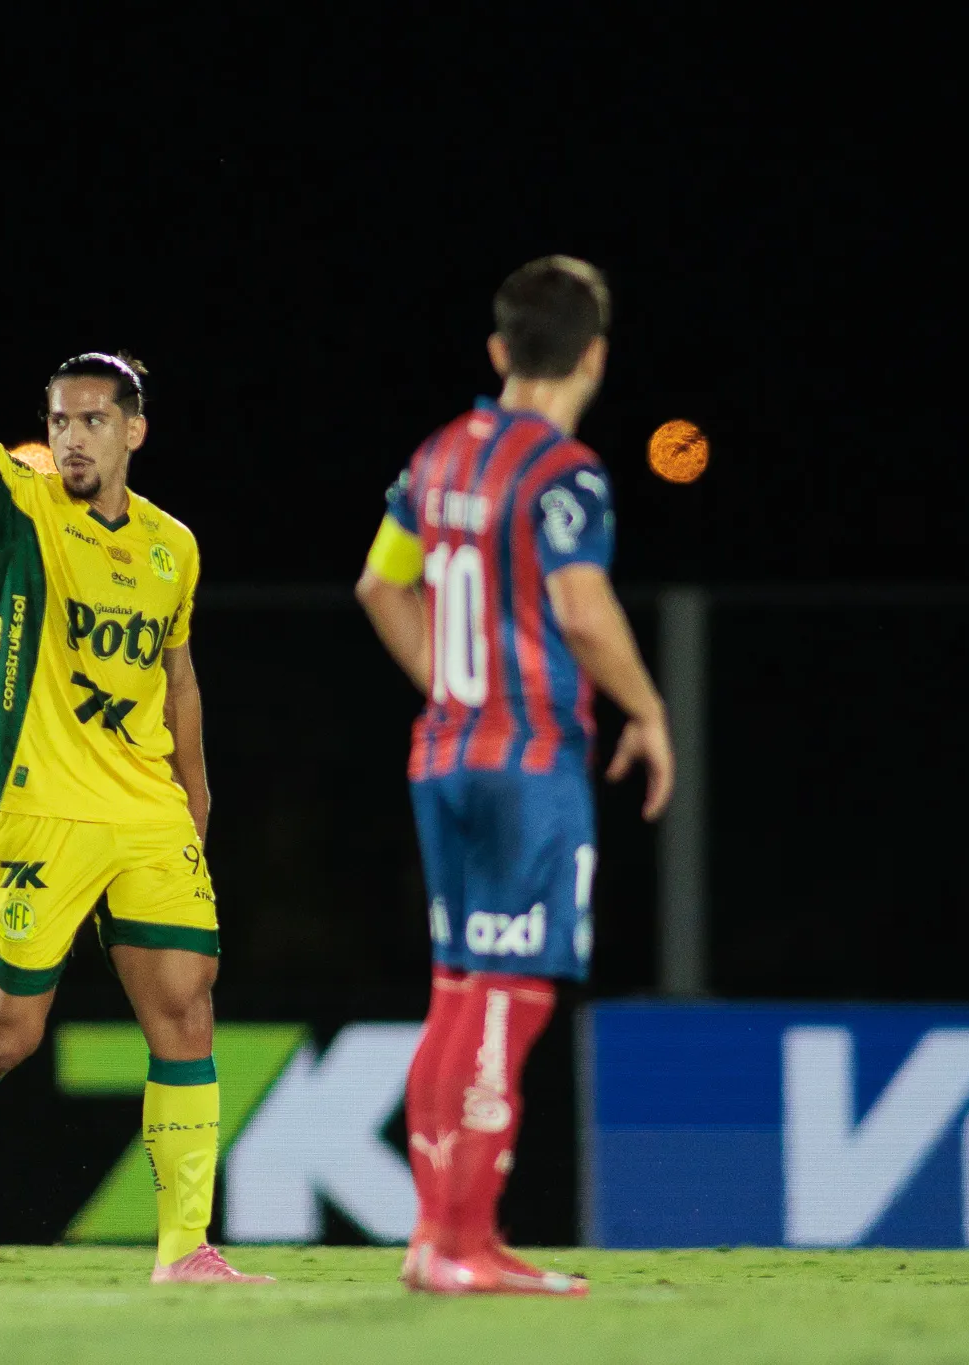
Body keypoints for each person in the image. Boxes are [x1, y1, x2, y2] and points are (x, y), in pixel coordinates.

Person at [0, 205, 269, 1285]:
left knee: (184, 1009)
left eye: (89, 420)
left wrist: (197, 794)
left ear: (132, 432)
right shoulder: (18, 511)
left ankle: (182, 1251)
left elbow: (176, 671)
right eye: (58, 418)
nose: (68, 436)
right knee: (2, 1038)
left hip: (146, 812)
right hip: (35, 806)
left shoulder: (175, 548)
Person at [354, 256, 675, 1296]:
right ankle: (461, 1243)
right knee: (511, 999)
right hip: (528, 762)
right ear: (594, 355)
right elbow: (582, 609)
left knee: (456, 994)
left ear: (498, 351)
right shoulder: (565, 472)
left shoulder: (437, 454)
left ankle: (432, 1238)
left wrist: (450, 681)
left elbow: (377, 582)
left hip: (441, 757)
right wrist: (647, 709)